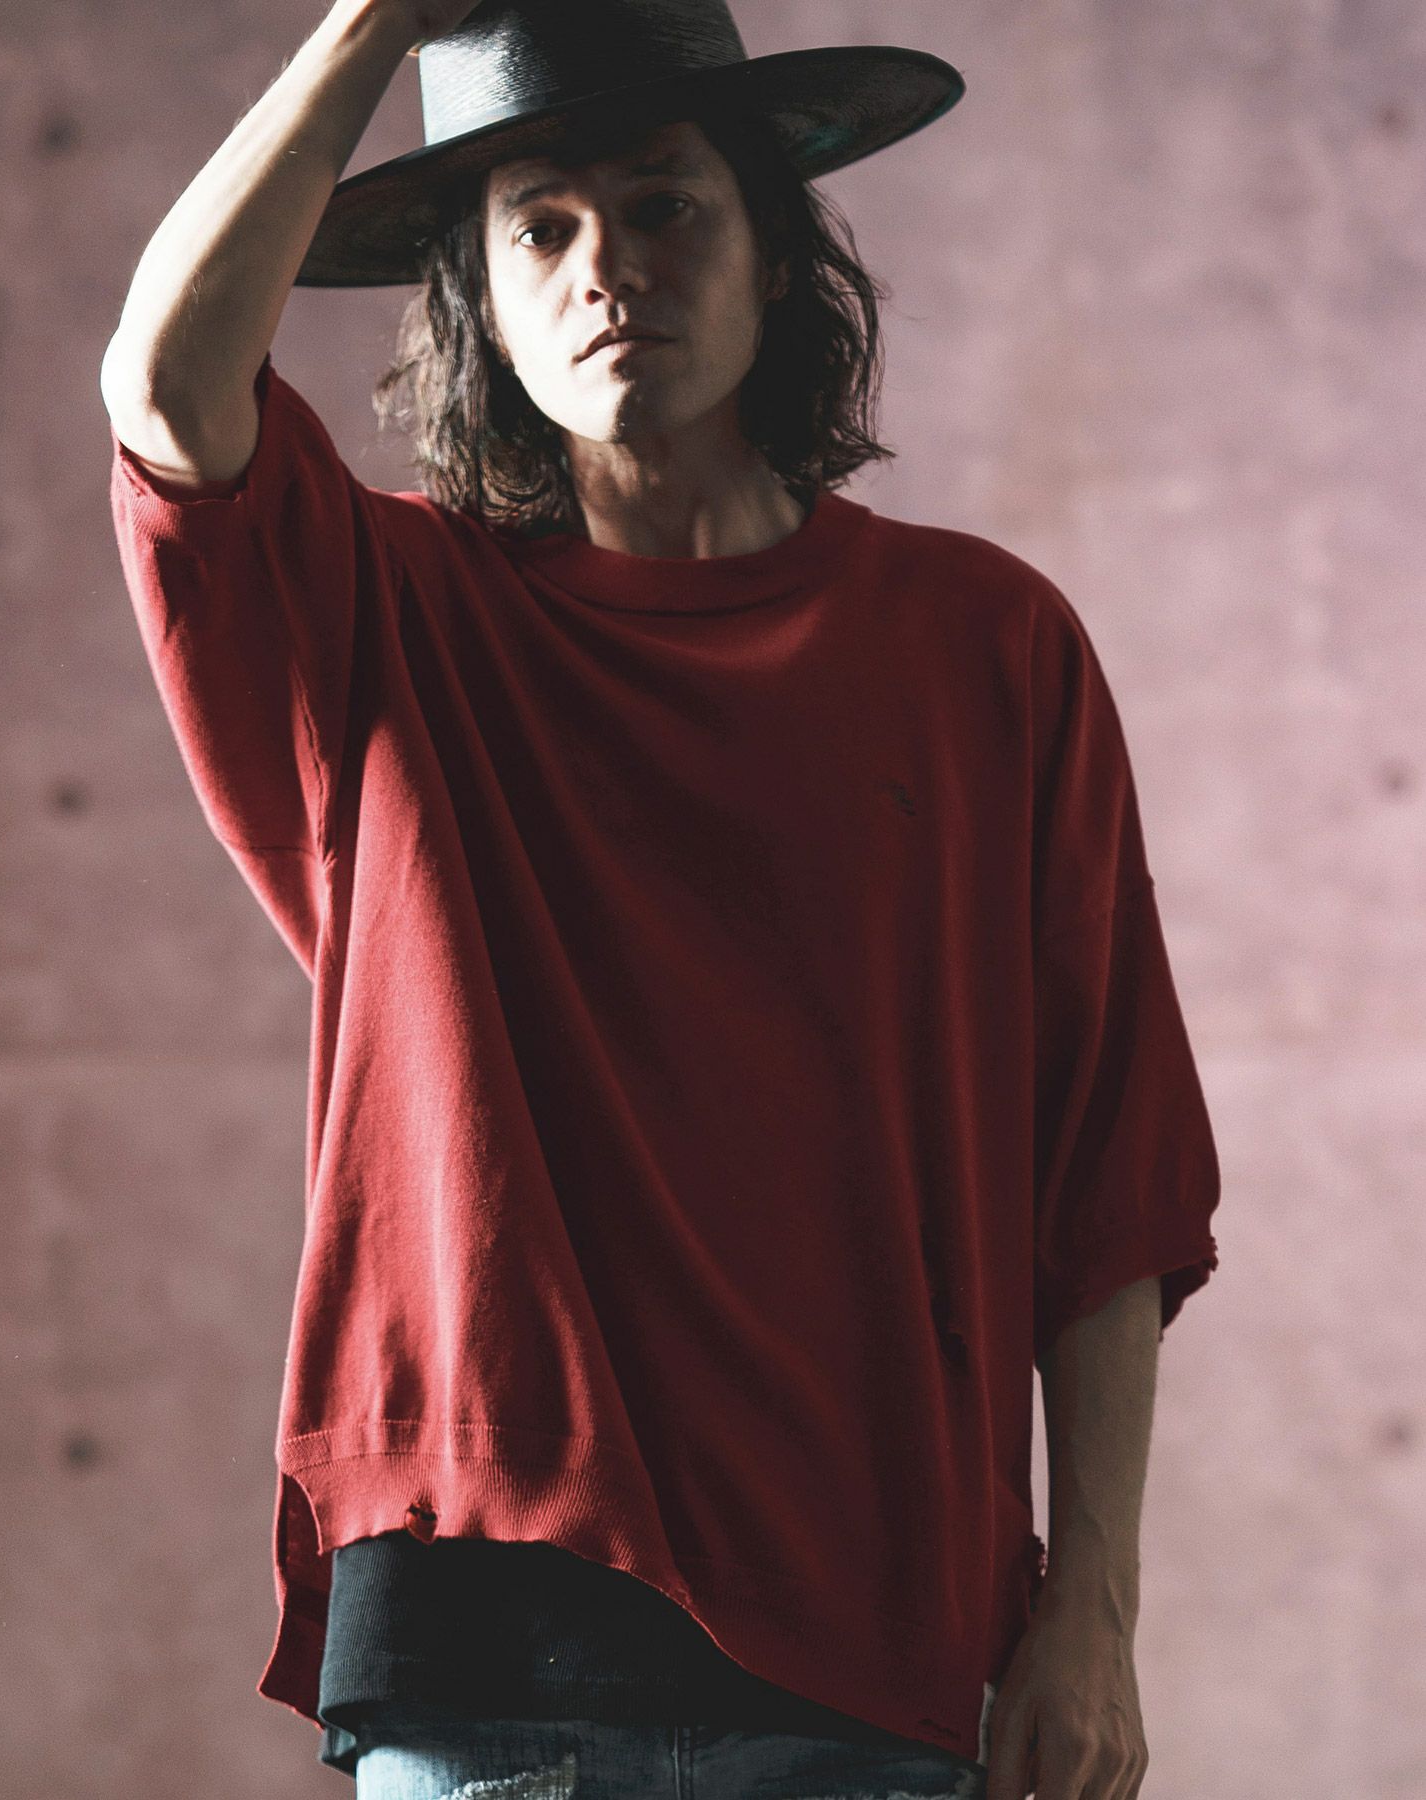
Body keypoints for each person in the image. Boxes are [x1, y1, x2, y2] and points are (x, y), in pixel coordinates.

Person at [101, 3, 1222, 1797]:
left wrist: (1092, 1612)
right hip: (486, 1637)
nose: (605, 266)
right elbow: (164, 385)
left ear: (775, 250)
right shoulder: (380, 613)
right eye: (539, 227)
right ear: (481, 303)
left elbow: (1110, 1177)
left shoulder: (986, 644)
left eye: (664, 205)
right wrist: (377, 19)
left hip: (881, 1633)